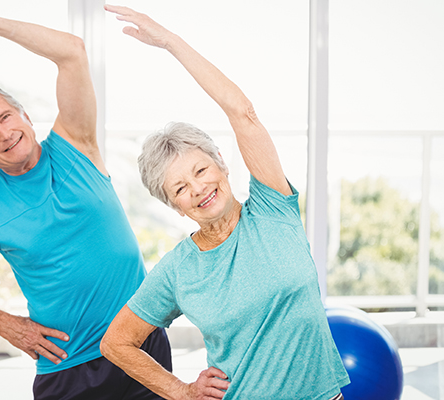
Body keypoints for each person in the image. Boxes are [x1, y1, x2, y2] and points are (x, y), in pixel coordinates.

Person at [0, 9, 171, 400]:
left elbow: (71, 52)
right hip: (70, 368)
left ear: (26, 115)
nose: (4, 133)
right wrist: (10, 326)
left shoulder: (76, 144)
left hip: (141, 344)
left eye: (5, 116)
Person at [101, 5, 350, 400]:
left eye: (200, 171)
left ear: (221, 163)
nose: (197, 189)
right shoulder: (178, 271)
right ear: (175, 206)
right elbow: (115, 343)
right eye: (180, 188)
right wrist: (180, 391)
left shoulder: (273, 209)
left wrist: (170, 43)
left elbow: (243, 113)